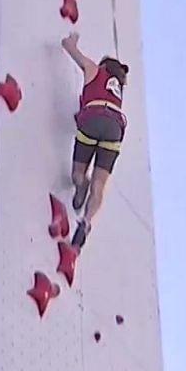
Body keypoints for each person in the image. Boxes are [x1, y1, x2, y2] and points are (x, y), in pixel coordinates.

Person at [61, 31, 129, 249]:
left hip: (93, 118)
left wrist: (72, 42)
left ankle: (81, 184)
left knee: (77, 173)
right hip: (115, 127)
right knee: (100, 185)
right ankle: (87, 221)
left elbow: (69, 48)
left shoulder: (94, 70)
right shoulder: (118, 91)